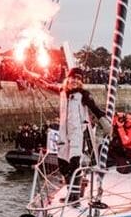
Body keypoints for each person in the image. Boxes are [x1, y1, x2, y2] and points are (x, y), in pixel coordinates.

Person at [30, 67, 110, 202]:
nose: (75, 81)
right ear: (68, 78)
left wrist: (105, 124)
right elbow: (47, 85)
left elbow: (95, 109)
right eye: (73, 78)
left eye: (78, 79)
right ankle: (70, 191)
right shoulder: (62, 91)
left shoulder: (83, 94)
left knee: (74, 164)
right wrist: (34, 77)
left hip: (78, 133)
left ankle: (74, 196)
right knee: (62, 164)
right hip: (63, 133)